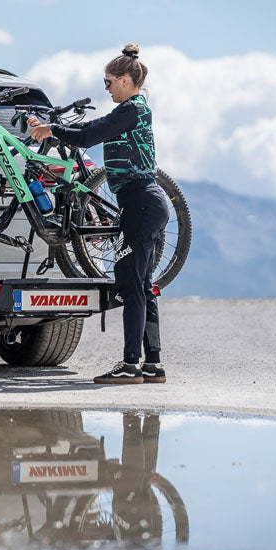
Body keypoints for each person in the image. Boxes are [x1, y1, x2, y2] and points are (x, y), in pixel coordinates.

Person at [28, 44, 169, 385]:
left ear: (125, 80)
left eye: (108, 82)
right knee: (143, 287)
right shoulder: (132, 110)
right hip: (145, 204)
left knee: (131, 285)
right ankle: (153, 364)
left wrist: (52, 130)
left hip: (140, 203)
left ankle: (131, 365)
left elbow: (90, 135)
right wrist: (53, 128)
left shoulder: (132, 108)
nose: (106, 88)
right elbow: (95, 126)